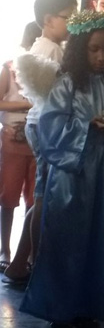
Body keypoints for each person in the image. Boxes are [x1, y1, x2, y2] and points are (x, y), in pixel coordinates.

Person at [19, 10, 104, 328]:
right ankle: (61, 309)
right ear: (79, 48)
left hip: (103, 172)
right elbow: (51, 125)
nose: (100, 57)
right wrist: (88, 126)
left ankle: (88, 306)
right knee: (67, 237)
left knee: (98, 239)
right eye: (94, 49)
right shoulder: (68, 82)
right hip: (72, 173)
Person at [4, 0, 77, 284]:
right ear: (48, 20)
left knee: (42, 195)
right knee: (44, 197)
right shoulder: (54, 51)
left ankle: (22, 262)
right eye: (69, 18)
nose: (73, 24)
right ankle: (30, 262)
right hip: (48, 126)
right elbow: (57, 97)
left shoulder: (38, 46)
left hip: (36, 125)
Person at [0, 22, 41, 271]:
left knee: (35, 199)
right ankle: (5, 249)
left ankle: (30, 253)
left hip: (38, 141)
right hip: (12, 139)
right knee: (8, 196)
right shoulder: (9, 67)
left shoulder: (47, 72)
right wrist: (26, 106)